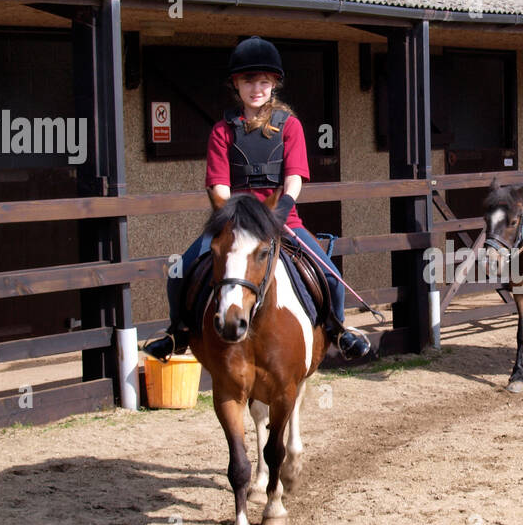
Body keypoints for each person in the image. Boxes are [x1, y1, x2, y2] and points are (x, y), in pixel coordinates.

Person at [144, 36, 372, 362]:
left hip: (280, 220)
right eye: (249, 81)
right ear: (235, 84)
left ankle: (338, 330)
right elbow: (218, 186)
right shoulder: (221, 131)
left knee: (330, 275)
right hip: (234, 223)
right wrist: (234, 215)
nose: (256, 89)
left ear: (274, 84)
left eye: (264, 81)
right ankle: (177, 332)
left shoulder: (290, 127)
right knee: (179, 273)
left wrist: (279, 211)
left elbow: (294, 179)